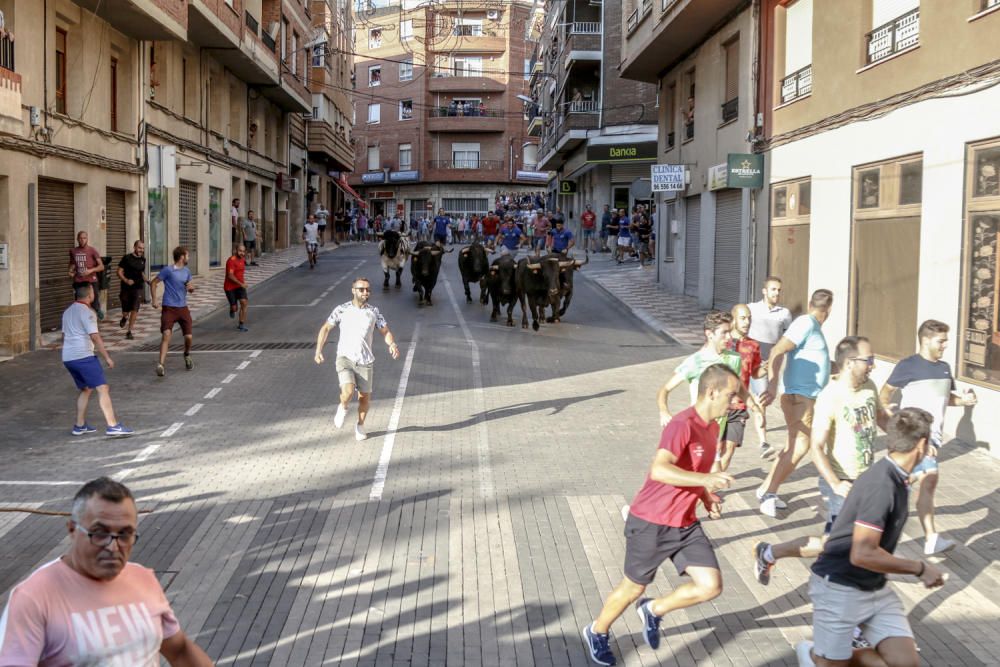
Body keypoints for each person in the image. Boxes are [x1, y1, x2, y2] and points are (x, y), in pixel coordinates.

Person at [582, 365, 739, 666]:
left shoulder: (713, 428)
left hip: (685, 524)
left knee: (711, 586)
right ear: (711, 392)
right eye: (731, 396)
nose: (735, 403)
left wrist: (706, 497)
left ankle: (653, 610)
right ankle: (597, 630)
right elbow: (659, 469)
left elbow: (694, 472)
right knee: (633, 587)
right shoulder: (683, 425)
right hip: (652, 522)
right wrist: (706, 482)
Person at [0, 477, 212, 665]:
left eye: (125, 534)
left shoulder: (143, 579)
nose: (113, 547)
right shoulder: (32, 598)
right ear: (72, 530)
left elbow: (180, 650)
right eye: (99, 533)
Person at [795, 408, 946, 667]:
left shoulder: (896, 476)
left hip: (875, 588)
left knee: (905, 663)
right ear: (921, 444)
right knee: (832, 664)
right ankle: (813, 655)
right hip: (839, 587)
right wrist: (919, 568)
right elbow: (862, 553)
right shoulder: (882, 485)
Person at [753, 336, 890, 586]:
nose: (873, 365)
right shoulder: (831, 396)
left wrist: (906, 441)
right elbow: (816, 447)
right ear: (850, 363)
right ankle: (843, 595)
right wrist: (836, 484)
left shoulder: (870, 386)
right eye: (869, 360)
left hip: (865, 477)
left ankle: (769, 553)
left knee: (840, 543)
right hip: (841, 481)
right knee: (843, 546)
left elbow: (881, 417)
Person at [879, 319, 978, 556]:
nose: (945, 345)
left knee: (908, 484)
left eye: (946, 340)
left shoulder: (944, 368)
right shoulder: (908, 366)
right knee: (928, 480)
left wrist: (963, 401)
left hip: (932, 439)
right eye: (941, 340)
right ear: (925, 340)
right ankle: (930, 537)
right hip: (912, 437)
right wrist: (888, 411)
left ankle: (874, 518)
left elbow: (946, 398)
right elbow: (885, 392)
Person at [757, 288, 834, 517]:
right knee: (801, 446)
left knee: (793, 446)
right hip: (800, 397)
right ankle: (769, 494)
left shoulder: (811, 327)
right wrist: (771, 385)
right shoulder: (806, 324)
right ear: (828, 310)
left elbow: (814, 361)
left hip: (803, 396)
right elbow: (778, 349)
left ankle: (764, 489)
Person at [314, 278, 400, 441]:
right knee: (347, 391)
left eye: (367, 289)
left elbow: (385, 331)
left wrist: (392, 344)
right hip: (345, 358)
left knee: (364, 398)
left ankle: (360, 425)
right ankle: (343, 406)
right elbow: (325, 328)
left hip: (365, 361)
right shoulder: (342, 309)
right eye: (361, 289)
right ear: (353, 290)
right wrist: (318, 350)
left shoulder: (373, 311)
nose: (365, 292)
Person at [60, 284, 133, 437]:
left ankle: (79, 426)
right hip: (84, 356)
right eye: (93, 291)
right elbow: (95, 336)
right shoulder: (88, 313)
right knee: (102, 388)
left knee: (86, 389)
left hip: (68, 357)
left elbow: (64, 336)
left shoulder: (67, 312)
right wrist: (107, 357)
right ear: (89, 295)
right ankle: (113, 426)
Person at [657, 311, 746, 428]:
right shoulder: (695, 361)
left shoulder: (735, 358)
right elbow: (665, 389)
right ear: (709, 334)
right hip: (699, 425)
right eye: (724, 332)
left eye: (730, 332)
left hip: (722, 424)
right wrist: (664, 411)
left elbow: (739, 389)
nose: (729, 337)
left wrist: (753, 406)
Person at [748, 276, 794, 458]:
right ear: (764, 291)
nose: (777, 293)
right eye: (773, 289)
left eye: (779, 290)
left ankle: (763, 442)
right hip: (750, 360)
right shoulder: (751, 309)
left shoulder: (784, 313)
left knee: (762, 399)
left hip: (768, 362)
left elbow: (787, 338)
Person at [719, 304, 766, 472]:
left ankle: (711, 488)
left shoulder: (753, 345)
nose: (747, 322)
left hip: (739, 405)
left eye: (749, 318)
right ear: (733, 320)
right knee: (717, 449)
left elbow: (754, 373)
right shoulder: (723, 341)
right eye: (743, 318)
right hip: (719, 405)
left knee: (729, 449)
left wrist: (767, 368)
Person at [150, 246, 195, 377]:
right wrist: (154, 300)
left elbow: (190, 286)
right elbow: (153, 283)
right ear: (182, 256)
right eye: (187, 255)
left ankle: (186, 354)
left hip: (183, 307)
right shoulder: (168, 270)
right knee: (166, 334)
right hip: (169, 307)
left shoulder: (187, 271)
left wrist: (191, 288)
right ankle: (160, 365)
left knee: (189, 337)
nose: (188, 257)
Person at [68, 231, 105, 320]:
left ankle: (96, 311)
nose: (82, 240)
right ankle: (83, 322)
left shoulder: (92, 250)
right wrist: (70, 271)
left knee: (94, 302)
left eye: (84, 238)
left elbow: (101, 266)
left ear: (87, 239)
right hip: (79, 281)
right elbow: (72, 264)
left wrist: (90, 270)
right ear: (77, 239)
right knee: (80, 304)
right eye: (80, 238)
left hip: (91, 280)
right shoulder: (73, 251)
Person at [116, 240, 149, 341]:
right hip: (126, 288)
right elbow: (119, 272)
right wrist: (126, 280)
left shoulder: (143, 259)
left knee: (135, 309)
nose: (141, 250)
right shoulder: (127, 258)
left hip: (138, 287)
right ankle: (124, 317)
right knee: (126, 310)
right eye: (139, 248)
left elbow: (141, 273)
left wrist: (147, 280)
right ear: (134, 247)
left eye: (143, 248)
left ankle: (129, 331)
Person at [224, 245, 249, 332]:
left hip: (240, 286)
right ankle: (232, 308)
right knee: (235, 308)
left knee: (244, 303)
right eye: (240, 251)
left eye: (243, 251)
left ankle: (241, 325)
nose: (242, 253)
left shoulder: (242, 259)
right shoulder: (231, 261)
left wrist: (241, 284)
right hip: (230, 287)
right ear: (236, 250)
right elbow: (230, 275)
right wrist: (241, 284)